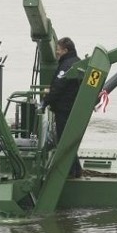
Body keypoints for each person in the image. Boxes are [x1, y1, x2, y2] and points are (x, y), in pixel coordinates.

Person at [42, 37, 83, 178]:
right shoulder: (75, 62)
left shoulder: (66, 65)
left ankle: (70, 172)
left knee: (63, 141)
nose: (56, 52)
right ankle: (76, 170)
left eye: (58, 49)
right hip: (71, 108)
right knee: (67, 141)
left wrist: (45, 101)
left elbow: (58, 87)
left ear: (65, 50)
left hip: (64, 110)